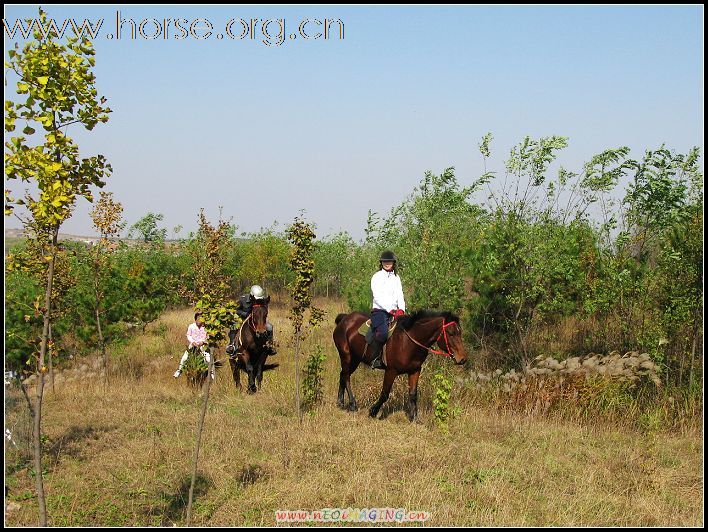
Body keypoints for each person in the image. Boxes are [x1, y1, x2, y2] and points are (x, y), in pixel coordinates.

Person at [369, 250, 406, 369]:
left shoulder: (396, 277)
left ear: (393, 263)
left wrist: (402, 309)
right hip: (380, 311)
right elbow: (377, 296)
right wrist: (390, 309)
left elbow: (400, 294)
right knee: (383, 333)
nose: (387, 263)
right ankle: (375, 358)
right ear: (381, 262)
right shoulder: (377, 277)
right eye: (385, 261)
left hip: (396, 312)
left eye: (389, 261)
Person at [236, 284, 277, 356]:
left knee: (270, 327)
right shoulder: (243, 299)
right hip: (243, 318)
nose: (258, 300)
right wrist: (245, 314)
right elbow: (237, 310)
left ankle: (269, 345)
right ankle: (232, 346)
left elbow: (264, 311)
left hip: (258, 320)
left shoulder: (263, 300)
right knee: (234, 326)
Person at [174, 312, 214, 379]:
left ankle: (211, 372)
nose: (199, 321)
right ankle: (179, 370)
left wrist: (203, 342)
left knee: (208, 359)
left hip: (202, 346)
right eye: (198, 319)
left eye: (201, 319)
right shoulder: (191, 326)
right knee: (184, 357)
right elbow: (189, 335)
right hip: (193, 345)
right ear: (195, 320)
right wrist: (192, 342)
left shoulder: (206, 327)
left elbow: (208, 337)